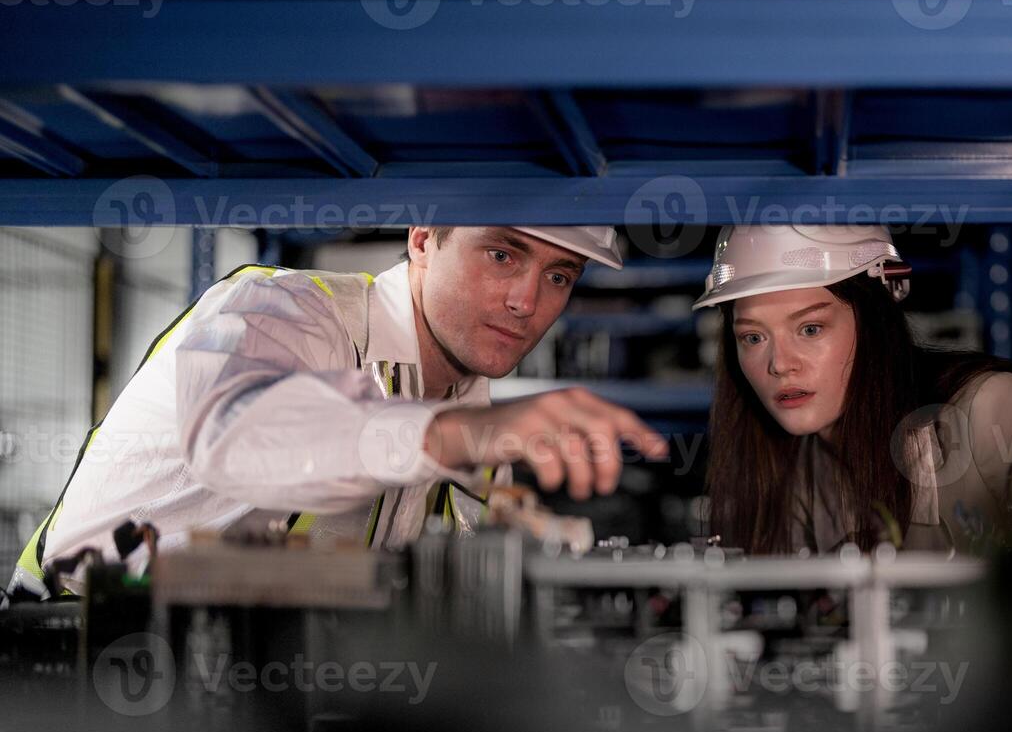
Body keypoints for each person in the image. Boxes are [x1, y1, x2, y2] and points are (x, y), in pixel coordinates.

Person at [9, 225, 667, 598]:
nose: (528, 301)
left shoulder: (463, 399)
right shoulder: (280, 308)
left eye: (559, 276)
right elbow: (236, 432)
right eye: (502, 254)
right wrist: (455, 434)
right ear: (423, 238)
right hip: (72, 664)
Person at [696, 224, 1012, 555]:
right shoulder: (791, 469)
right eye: (752, 338)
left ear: (877, 323)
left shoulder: (992, 414)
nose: (780, 363)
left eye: (810, 329)